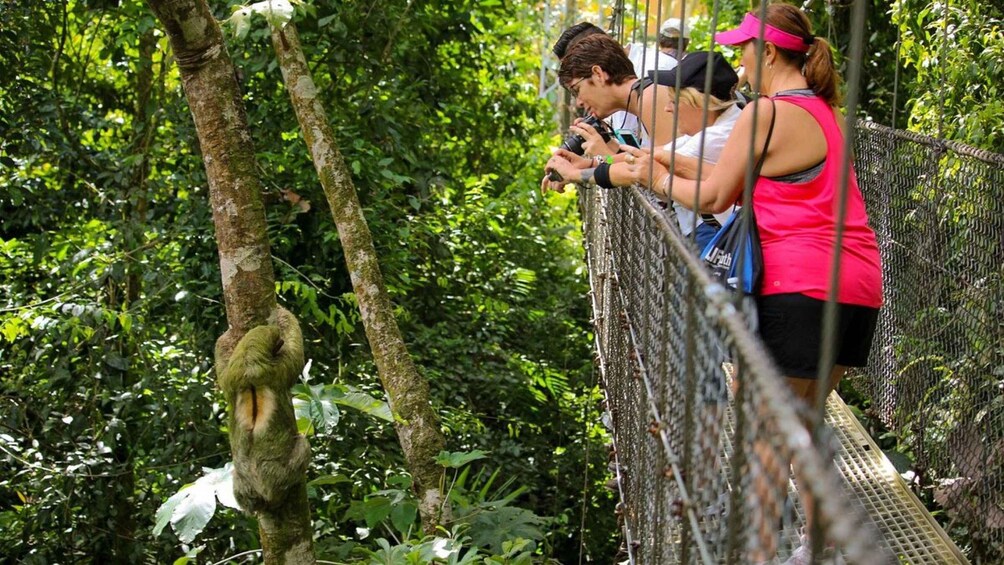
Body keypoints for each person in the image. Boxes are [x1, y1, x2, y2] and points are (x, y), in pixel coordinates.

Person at [622, 4, 881, 563]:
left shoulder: (764, 111)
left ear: (767, 52)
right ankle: (823, 550)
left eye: (742, 49)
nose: (737, 62)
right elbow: (737, 181)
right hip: (855, 285)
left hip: (800, 285)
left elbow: (715, 196)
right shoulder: (822, 110)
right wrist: (658, 166)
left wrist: (653, 175)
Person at [543, 51, 742, 250]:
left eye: (674, 100)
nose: (668, 109)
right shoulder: (712, 128)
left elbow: (638, 170)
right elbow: (644, 156)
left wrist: (575, 174)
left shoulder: (712, 138)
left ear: (699, 102)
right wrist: (593, 163)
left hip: (720, 234)